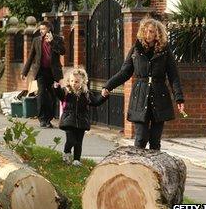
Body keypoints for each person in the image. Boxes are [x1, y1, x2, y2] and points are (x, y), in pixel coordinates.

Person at [101, 18, 185, 150]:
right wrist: (108, 85)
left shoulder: (165, 51)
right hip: (140, 97)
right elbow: (125, 72)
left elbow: (173, 76)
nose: (148, 34)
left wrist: (179, 98)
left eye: (151, 31)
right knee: (141, 138)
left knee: (155, 141)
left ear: (158, 33)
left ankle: (154, 169)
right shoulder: (136, 49)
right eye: (145, 31)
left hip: (160, 97)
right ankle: (137, 167)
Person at [53, 68, 103, 166]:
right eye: (72, 81)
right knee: (71, 140)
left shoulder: (86, 94)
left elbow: (96, 102)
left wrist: (104, 96)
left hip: (82, 121)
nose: (73, 83)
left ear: (83, 82)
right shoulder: (66, 92)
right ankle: (67, 153)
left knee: (78, 142)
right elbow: (59, 94)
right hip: (68, 121)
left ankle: (76, 160)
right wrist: (56, 88)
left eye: (76, 81)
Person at [21, 20, 65, 128]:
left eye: (43, 29)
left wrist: (52, 42)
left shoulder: (57, 39)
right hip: (41, 71)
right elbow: (31, 56)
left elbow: (63, 51)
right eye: (40, 29)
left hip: (53, 72)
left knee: (52, 95)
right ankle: (42, 119)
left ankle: (48, 119)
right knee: (41, 94)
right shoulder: (37, 40)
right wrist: (24, 72)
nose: (41, 31)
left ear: (49, 29)